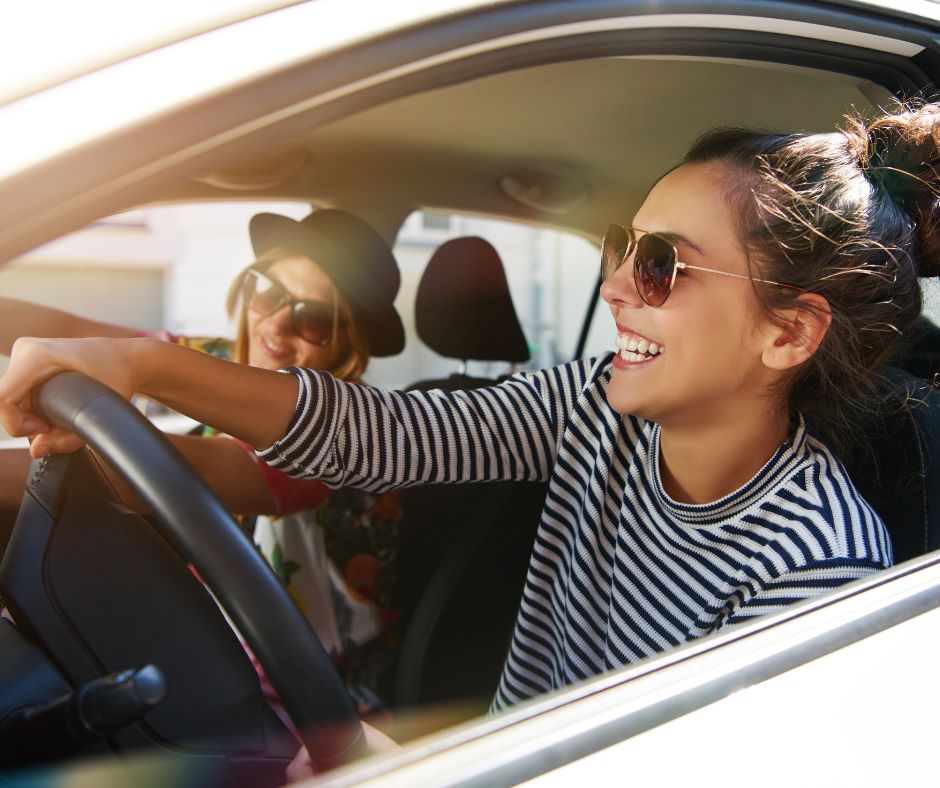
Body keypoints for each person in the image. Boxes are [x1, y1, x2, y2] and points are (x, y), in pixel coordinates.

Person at [1, 100, 935, 751]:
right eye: (620, 248)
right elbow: (387, 434)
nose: (614, 287)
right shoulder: (593, 401)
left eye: (660, 265)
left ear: (789, 331)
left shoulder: (816, 566)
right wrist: (141, 364)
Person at [0, 209, 408, 719]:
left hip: (314, 708)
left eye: (313, 319)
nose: (276, 325)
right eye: (268, 294)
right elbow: (70, 335)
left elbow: (194, 471)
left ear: (350, 341)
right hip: (215, 658)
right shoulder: (218, 361)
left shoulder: (347, 428)